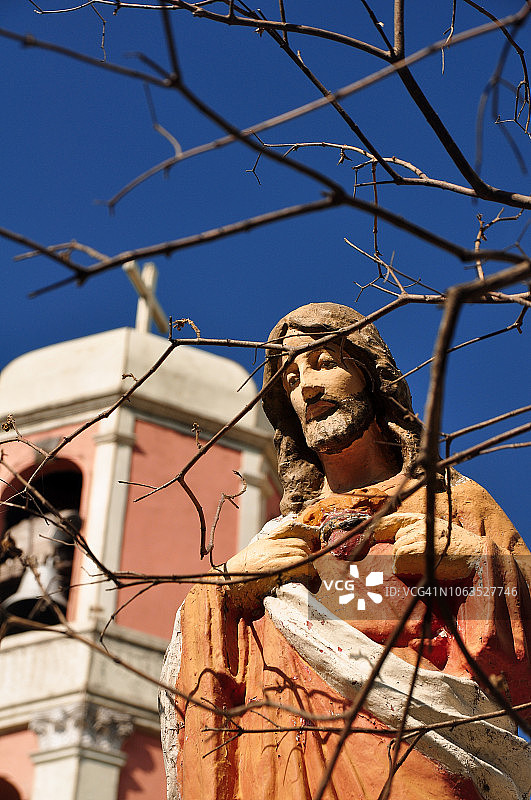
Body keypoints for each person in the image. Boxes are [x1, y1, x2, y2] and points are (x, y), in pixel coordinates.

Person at [160, 303, 530, 800]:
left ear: (370, 375)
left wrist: (473, 558)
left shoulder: (451, 501)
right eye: (290, 378)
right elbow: (208, 680)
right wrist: (225, 588)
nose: (305, 387)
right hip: (288, 760)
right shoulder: (281, 537)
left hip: (426, 751)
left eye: (324, 363)